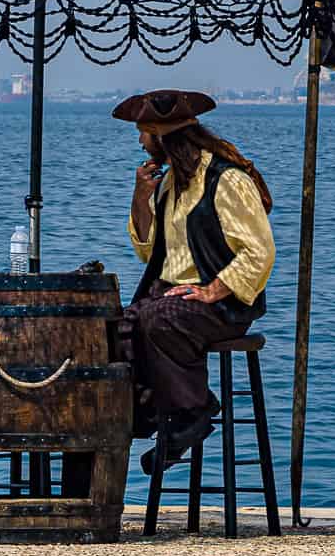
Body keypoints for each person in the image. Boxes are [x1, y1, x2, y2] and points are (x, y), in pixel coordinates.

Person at [115, 88, 275, 474]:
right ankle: (160, 413)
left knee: (159, 319)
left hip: (223, 305)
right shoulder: (170, 183)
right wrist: (140, 197)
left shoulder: (226, 179)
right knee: (118, 326)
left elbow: (259, 251)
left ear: (162, 136)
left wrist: (212, 290)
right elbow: (148, 252)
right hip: (173, 295)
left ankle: (191, 414)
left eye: (144, 133)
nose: (140, 141)